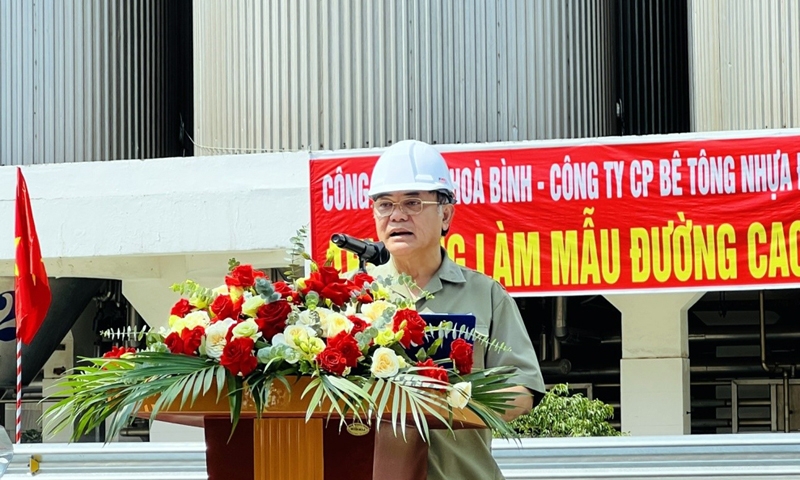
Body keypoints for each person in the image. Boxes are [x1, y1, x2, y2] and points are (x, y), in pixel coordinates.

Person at [366, 139, 545, 480]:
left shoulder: (485, 295)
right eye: (385, 204)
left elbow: (523, 389)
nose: (397, 215)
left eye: (413, 203)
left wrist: (454, 404)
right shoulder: (352, 297)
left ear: (446, 213)